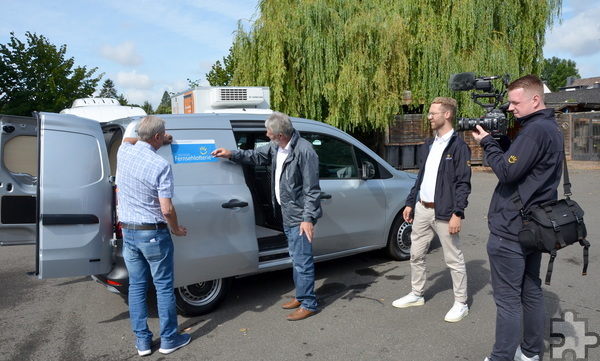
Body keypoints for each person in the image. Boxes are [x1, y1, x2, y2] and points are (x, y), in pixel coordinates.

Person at [472, 75, 563, 361]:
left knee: (509, 300)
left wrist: (487, 142)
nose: (510, 108)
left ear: (535, 99)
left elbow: (508, 172)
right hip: (533, 227)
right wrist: (501, 139)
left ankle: (501, 357)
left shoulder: (534, 131)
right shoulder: (549, 127)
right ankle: (530, 353)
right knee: (530, 291)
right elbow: (522, 163)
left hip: (512, 229)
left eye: (515, 102)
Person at [211, 111, 322, 321]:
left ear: (280, 135)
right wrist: (231, 154)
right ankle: (301, 296)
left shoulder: (305, 151)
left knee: (302, 260)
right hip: (286, 212)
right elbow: (255, 156)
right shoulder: (276, 147)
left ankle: (309, 303)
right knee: (296, 257)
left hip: (299, 216)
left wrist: (307, 219)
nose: (266, 134)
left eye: (268, 131)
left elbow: (312, 190)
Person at [392, 97, 472, 323]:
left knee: (453, 259)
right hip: (422, 209)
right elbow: (421, 177)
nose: (429, 117)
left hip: (445, 212)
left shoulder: (458, 147)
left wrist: (458, 212)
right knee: (416, 254)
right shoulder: (428, 145)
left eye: (433, 113)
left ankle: (461, 303)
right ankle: (417, 294)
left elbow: (463, 183)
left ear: (447, 114)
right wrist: (410, 202)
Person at [117, 115, 191, 356]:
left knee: (137, 287)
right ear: (158, 137)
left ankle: (142, 343)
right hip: (154, 234)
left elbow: (131, 138)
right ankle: (169, 339)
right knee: (163, 287)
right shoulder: (160, 165)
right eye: (163, 134)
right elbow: (167, 209)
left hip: (129, 231)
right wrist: (177, 229)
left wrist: (160, 138)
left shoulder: (124, 152)